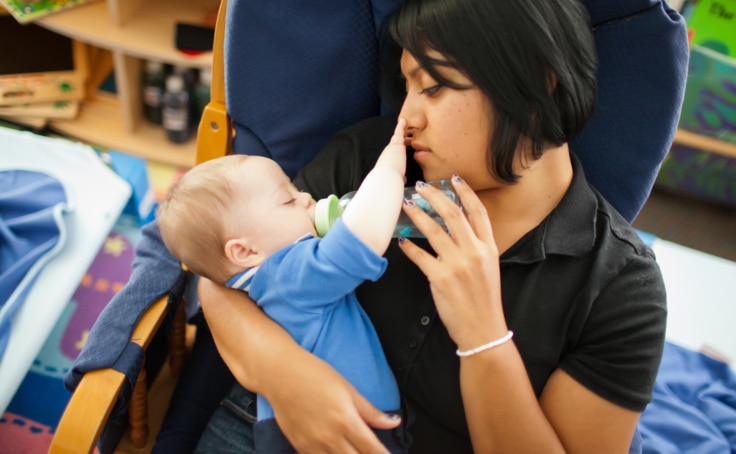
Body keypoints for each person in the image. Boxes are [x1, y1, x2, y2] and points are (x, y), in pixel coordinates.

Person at [195, 0, 668, 453]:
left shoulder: (620, 287)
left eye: (434, 87)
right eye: (406, 89)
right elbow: (224, 277)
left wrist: (484, 336)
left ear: (537, 82)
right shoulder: (373, 161)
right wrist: (288, 379)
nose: (406, 119)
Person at [156, 120, 412, 453]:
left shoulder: (257, 284)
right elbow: (364, 236)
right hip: (335, 431)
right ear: (245, 251)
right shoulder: (288, 273)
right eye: (287, 201)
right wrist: (392, 165)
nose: (306, 198)